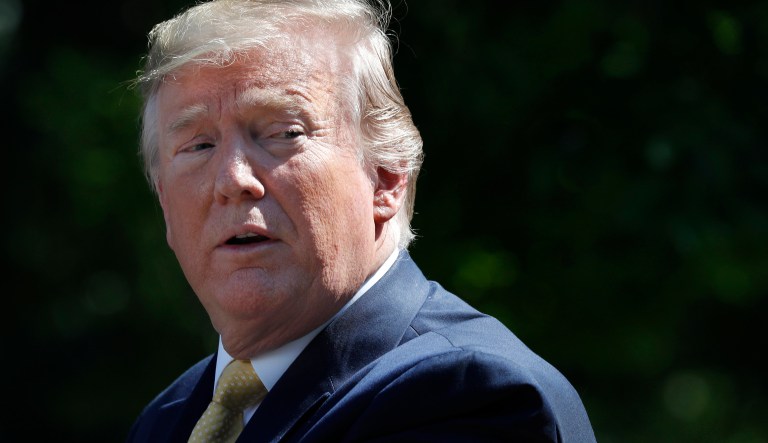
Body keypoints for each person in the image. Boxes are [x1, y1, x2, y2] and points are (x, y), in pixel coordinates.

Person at [127, 0, 596, 441]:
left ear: (386, 179)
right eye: (198, 146)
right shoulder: (166, 421)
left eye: (283, 133)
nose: (232, 179)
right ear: (166, 204)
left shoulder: (470, 397)